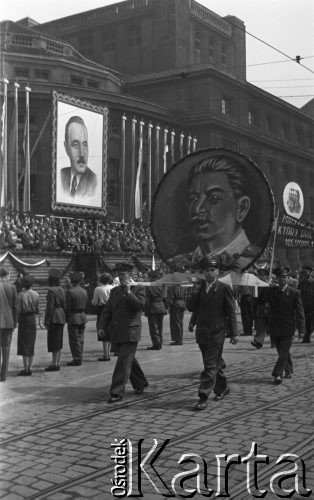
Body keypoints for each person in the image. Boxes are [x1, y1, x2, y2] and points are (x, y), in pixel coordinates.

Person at [186, 155, 261, 269]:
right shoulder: (185, 262)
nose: (197, 209)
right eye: (193, 199)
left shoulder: (253, 260)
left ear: (241, 208)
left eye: (214, 198)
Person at [186, 257, 238, 411]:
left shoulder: (224, 288)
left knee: (209, 365)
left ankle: (203, 397)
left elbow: (231, 312)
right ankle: (222, 388)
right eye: (207, 270)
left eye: (212, 270)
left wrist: (234, 333)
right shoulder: (199, 288)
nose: (209, 273)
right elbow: (193, 308)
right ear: (203, 272)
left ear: (218, 272)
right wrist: (192, 321)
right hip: (202, 331)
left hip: (217, 331)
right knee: (212, 364)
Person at [97, 262, 148, 403]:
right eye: (118, 275)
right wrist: (101, 327)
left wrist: (128, 292)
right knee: (129, 360)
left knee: (123, 362)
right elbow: (107, 311)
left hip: (131, 331)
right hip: (117, 331)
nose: (120, 277)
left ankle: (116, 392)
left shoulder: (138, 288)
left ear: (130, 274)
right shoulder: (114, 291)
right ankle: (140, 382)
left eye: (123, 274)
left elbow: (139, 306)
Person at [261, 267, 305, 385]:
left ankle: (277, 374)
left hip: (288, 327)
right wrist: (265, 287)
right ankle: (289, 369)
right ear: (276, 278)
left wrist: (301, 330)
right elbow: (262, 302)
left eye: (284, 277)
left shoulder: (294, 293)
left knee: (284, 351)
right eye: (280, 277)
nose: (282, 279)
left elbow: (300, 312)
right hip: (275, 327)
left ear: (288, 278)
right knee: (282, 352)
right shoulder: (271, 291)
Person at [60, 116, 97, 201]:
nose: (82, 154)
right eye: (75, 145)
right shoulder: (61, 176)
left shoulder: (94, 182)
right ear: (66, 148)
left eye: (85, 145)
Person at [16, 275, 39, 376]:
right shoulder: (36, 294)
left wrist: (16, 322)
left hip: (24, 320)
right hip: (32, 319)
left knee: (24, 344)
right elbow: (37, 309)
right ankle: (30, 367)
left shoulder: (20, 295)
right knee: (31, 343)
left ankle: (26, 370)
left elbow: (18, 310)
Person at [44, 269, 66, 371]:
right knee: (59, 341)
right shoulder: (62, 289)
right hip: (61, 316)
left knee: (54, 341)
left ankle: (54, 364)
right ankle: (58, 362)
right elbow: (65, 305)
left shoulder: (51, 291)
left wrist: (46, 322)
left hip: (54, 317)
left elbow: (49, 308)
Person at [66, 272, 88, 366]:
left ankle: (77, 358)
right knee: (81, 338)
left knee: (74, 339)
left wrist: (66, 317)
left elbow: (68, 307)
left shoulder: (70, 292)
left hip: (73, 317)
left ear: (71, 281)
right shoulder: (84, 291)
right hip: (82, 316)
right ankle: (80, 356)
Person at [0, 267, 17, 382]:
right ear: (7, 275)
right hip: (8, 322)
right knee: (6, 350)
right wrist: (15, 322)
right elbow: (15, 307)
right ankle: (3, 376)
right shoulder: (12, 287)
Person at [92, 273, 114, 361]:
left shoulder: (98, 289)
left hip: (102, 309)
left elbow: (94, 302)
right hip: (112, 310)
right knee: (110, 330)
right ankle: (109, 352)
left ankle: (106, 354)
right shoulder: (112, 287)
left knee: (103, 330)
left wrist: (97, 303)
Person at [145, 270, 167, 350]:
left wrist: (146, 310)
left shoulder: (149, 286)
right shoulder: (162, 285)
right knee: (160, 327)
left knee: (154, 327)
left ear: (151, 277)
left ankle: (156, 344)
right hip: (161, 306)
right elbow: (165, 297)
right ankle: (160, 342)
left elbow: (147, 299)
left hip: (153, 307)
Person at [251, 269, 270, 349]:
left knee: (272, 325)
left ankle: (275, 342)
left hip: (270, 307)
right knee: (260, 325)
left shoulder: (270, 285)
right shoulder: (257, 286)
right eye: (260, 275)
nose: (261, 277)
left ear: (266, 276)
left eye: (263, 275)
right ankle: (258, 341)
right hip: (260, 307)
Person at [297, 265, 314, 343]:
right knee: (305, 321)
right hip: (303, 306)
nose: (304, 274)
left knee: (311, 322)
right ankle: (306, 336)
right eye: (303, 272)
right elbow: (298, 293)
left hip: (312, 306)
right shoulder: (301, 283)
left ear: (310, 273)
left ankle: (308, 333)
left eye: (305, 272)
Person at [167, 281, 187, 346]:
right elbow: (186, 295)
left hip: (176, 304)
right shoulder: (184, 285)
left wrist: (170, 306)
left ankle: (178, 340)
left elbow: (171, 296)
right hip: (183, 303)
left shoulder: (172, 285)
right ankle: (180, 339)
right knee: (180, 322)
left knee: (176, 323)